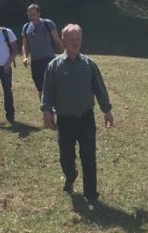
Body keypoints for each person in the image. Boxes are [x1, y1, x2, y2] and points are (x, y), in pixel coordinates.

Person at [41, 24, 114, 206]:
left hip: (86, 119)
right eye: (72, 40)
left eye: (78, 39)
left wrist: (107, 111)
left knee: (89, 157)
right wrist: (46, 110)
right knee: (66, 158)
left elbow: (100, 89)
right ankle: (70, 175)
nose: (75, 43)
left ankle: (91, 194)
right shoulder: (54, 66)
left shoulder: (89, 65)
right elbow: (48, 90)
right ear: (64, 41)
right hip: (65, 121)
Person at [22, 3, 63, 100]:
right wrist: (25, 57)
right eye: (29, 15)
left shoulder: (47, 24)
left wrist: (66, 54)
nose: (31, 17)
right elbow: (25, 45)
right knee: (40, 88)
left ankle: (57, 107)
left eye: (33, 14)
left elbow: (57, 41)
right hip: (35, 62)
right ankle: (45, 108)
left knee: (52, 87)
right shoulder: (26, 27)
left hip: (49, 61)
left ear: (39, 13)